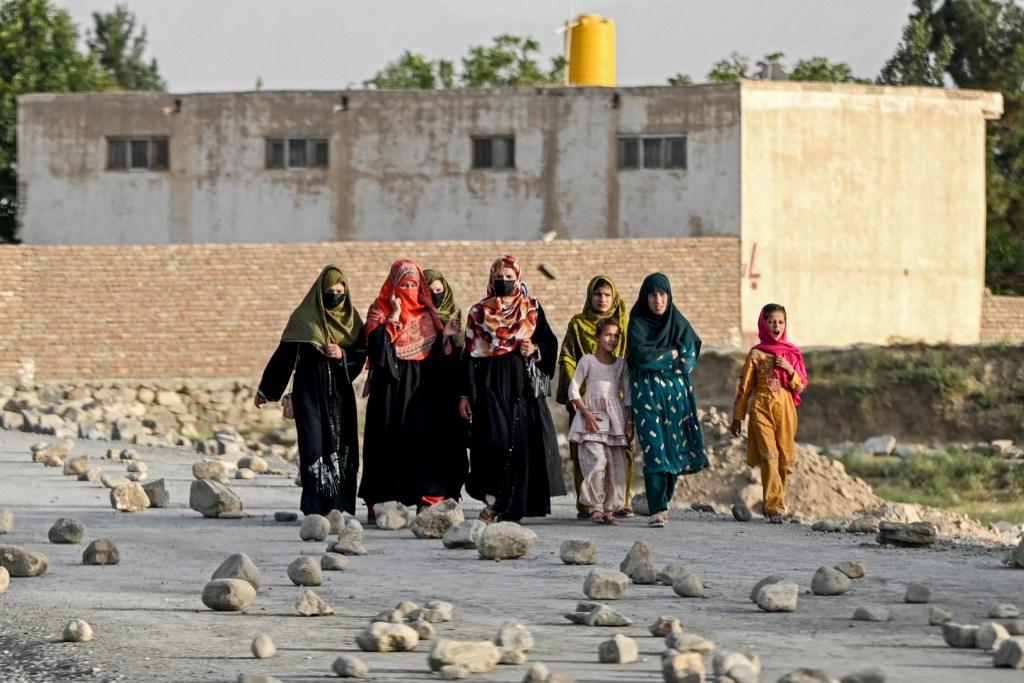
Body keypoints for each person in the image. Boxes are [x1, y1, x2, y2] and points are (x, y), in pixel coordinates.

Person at [459, 255, 566, 523]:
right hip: (489, 385)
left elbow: (549, 342)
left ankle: (512, 507)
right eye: (500, 277)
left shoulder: (532, 310)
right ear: (491, 278)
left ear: (518, 278)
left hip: (522, 385)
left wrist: (536, 349)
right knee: (494, 441)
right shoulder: (478, 313)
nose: (504, 282)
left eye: (509, 278)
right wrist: (465, 394)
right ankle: (494, 500)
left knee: (519, 444)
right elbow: (469, 356)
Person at [254, 265, 367, 516]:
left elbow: (361, 355)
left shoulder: (352, 321)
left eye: (340, 291)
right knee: (313, 445)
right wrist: (267, 390)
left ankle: (340, 505)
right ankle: (315, 505)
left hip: (339, 395)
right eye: (330, 290)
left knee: (341, 444)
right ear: (319, 291)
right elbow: (284, 356)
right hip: (309, 393)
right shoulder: (303, 319)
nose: (335, 295)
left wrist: (342, 354)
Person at [358, 259, 460, 518]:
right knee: (386, 440)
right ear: (393, 286)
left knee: (423, 441)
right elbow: (376, 350)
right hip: (390, 389)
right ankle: (384, 500)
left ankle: (426, 497)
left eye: (415, 284)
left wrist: (446, 337)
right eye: (404, 284)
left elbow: (439, 359)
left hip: (421, 389)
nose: (410, 289)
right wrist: (393, 317)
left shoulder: (428, 315)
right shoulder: (378, 311)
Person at [626, 272, 709, 528]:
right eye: (652, 295)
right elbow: (641, 358)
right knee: (654, 449)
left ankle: (665, 500)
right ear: (645, 297)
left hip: (677, 399)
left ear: (669, 296)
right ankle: (656, 507)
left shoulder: (678, 322)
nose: (657, 300)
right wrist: (671, 354)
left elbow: (688, 361)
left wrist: (661, 359)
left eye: (662, 295)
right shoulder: (637, 323)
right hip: (646, 396)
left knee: (674, 448)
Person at [556, 275, 634, 519]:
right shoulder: (578, 324)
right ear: (590, 296)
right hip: (586, 401)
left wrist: (630, 412)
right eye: (598, 294)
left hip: (616, 404)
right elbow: (567, 355)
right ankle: (589, 505)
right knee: (588, 453)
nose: (602, 299)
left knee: (620, 455)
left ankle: (619, 503)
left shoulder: (624, 322)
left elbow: (630, 362)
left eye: (607, 295)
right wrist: (576, 396)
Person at [730, 303, 808, 524]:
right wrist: (738, 417)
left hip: (785, 410)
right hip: (761, 408)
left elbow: (801, 386)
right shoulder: (756, 354)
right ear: (764, 324)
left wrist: (788, 368)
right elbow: (744, 388)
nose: (776, 326)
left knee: (784, 460)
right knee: (770, 458)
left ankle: (775, 503)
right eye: (772, 321)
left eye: (780, 322)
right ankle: (775, 508)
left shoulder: (791, 353)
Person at [566, 318, 633, 525]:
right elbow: (573, 389)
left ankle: (608, 510)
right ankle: (595, 507)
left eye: (615, 336)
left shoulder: (621, 364)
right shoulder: (587, 361)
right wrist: (586, 413)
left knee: (614, 465)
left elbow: (628, 394)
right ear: (597, 337)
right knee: (597, 461)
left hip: (615, 419)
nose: (612, 339)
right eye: (607, 334)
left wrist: (630, 422)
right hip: (592, 418)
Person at [424, 268, 469, 501]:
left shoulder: (455, 313)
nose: (435, 295)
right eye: (430, 291)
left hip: (452, 393)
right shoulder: (418, 317)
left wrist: (465, 394)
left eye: (439, 290)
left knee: (455, 444)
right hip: (425, 393)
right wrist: (442, 336)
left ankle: (453, 493)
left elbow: (463, 357)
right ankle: (432, 495)